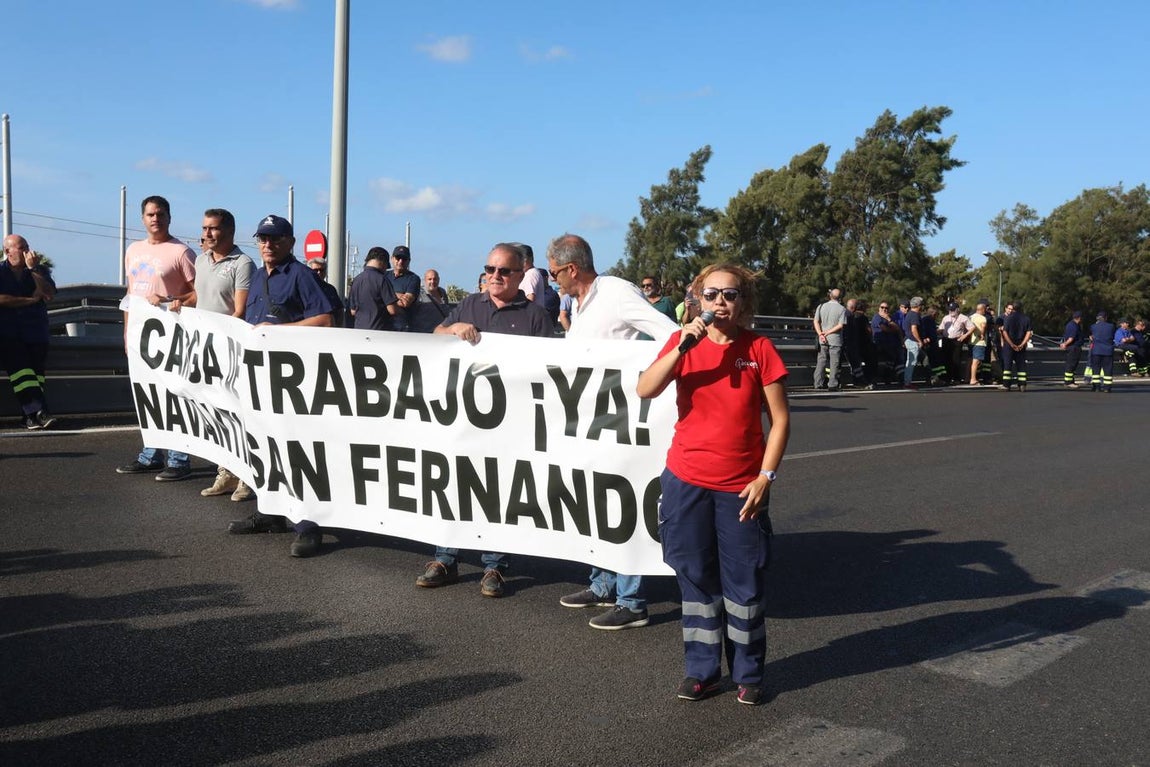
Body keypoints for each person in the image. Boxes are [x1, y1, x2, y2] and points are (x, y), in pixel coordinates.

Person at [636, 263, 790, 705]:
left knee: (745, 584)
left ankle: (749, 672)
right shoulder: (682, 343)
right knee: (696, 579)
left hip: (741, 486)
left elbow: (779, 421)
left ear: (744, 303)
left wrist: (766, 477)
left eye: (730, 295)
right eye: (711, 294)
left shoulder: (759, 348)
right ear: (697, 299)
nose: (720, 303)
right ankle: (702, 671)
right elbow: (645, 388)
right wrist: (684, 344)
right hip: (686, 481)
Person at [547, 233, 679, 630]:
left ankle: (632, 600)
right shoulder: (576, 302)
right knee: (594, 502)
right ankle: (601, 584)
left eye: (556, 274)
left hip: (618, 420)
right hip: (586, 422)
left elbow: (669, 332)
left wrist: (643, 379)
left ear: (572, 269)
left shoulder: (618, 292)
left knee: (621, 503)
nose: (554, 281)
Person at [414, 243, 555, 598]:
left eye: (503, 271)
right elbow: (435, 339)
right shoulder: (468, 305)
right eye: (490, 269)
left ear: (520, 275)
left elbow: (552, 368)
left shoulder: (536, 316)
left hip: (512, 421)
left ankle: (496, 565)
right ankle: (445, 558)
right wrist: (454, 328)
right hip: (464, 418)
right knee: (455, 484)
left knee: (499, 491)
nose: (495, 276)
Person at [227, 215, 334, 557]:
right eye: (262, 238)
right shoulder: (258, 277)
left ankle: (308, 525)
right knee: (264, 448)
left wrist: (279, 333)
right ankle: (271, 511)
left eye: (275, 239)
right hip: (262, 381)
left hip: (295, 383)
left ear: (290, 241)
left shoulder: (301, 276)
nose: (268, 244)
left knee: (298, 453)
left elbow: (325, 320)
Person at [170, 209, 255, 501]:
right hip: (203, 350)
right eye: (204, 228)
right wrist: (180, 302)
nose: (207, 234)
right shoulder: (202, 260)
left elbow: (240, 310)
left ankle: (246, 478)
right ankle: (226, 473)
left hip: (230, 351)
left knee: (237, 415)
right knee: (215, 415)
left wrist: (222, 338)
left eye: (213, 229)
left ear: (229, 231)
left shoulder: (243, 263)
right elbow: (200, 296)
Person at [116, 195, 197, 480]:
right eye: (150, 214)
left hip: (172, 335)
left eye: (160, 214)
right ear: (143, 218)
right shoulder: (133, 250)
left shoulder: (181, 252)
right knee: (148, 396)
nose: (155, 219)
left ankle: (179, 459)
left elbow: (200, 293)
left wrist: (173, 299)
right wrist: (127, 333)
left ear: (169, 217)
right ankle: (151, 455)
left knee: (174, 396)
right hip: (141, 336)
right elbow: (130, 295)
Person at [0, 233, 57, 429]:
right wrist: (30, 300)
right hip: (9, 333)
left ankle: (31, 417)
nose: (27, 251)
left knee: (35, 375)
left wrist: (33, 269)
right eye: (21, 247)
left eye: (27, 246)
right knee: (21, 372)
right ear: (8, 251)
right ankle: (42, 411)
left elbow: (48, 293)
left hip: (36, 331)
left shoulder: (39, 270)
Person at [348, 247, 399, 330]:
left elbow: (353, 311)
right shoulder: (382, 279)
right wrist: (402, 311)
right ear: (383, 262)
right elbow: (392, 310)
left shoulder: (356, 280)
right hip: (378, 331)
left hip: (359, 330)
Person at [812, 288, 848, 391]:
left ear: (830, 295)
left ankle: (817, 383)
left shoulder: (821, 306)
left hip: (822, 339)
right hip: (835, 339)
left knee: (821, 361)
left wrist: (821, 334)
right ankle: (832, 384)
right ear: (840, 297)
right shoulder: (841, 309)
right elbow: (840, 325)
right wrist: (828, 332)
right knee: (834, 362)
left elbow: (816, 321)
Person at [384, 245, 420, 331]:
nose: (400, 261)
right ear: (392, 258)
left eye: (404, 259)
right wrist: (399, 295)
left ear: (409, 261)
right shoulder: (383, 276)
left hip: (403, 328)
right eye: (398, 258)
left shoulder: (413, 278)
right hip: (383, 326)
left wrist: (384, 295)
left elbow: (405, 302)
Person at [999, 301, 1033, 391]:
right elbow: (1028, 332)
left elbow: (1005, 332)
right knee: (1021, 365)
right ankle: (1022, 384)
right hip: (1021, 343)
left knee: (1007, 365)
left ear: (1013, 308)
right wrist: (1022, 343)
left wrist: (1011, 344)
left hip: (1009, 344)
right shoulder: (1026, 319)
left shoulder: (1008, 318)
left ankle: (1006, 385)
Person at [306, 256, 345, 327]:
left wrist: (338, 326)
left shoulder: (330, 289)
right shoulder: (304, 288)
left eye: (321, 270)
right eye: (315, 270)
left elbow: (339, 311)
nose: (319, 272)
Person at [939, 301, 973, 384]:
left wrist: (964, 336)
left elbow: (972, 327)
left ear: (957, 309)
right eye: (950, 310)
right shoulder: (946, 318)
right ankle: (947, 378)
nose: (951, 311)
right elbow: (941, 328)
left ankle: (956, 378)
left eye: (953, 310)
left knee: (956, 360)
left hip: (956, 340)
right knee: (946, 359)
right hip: (946, 340)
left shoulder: (963, 318)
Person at [870, 301, 902, 387]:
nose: (884, 309)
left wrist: (889, 319)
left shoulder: (889, 318)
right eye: (882, 307)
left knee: (889, 363)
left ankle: (887, 379)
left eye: (886, 308)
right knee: (880, 364)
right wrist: (893, 329)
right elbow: (884, 328)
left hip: (889, 345)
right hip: (879, 344)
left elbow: (897, 328)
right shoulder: (877, 317)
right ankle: (875, 380)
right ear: (879, 308)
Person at [1087, 311, 1115, 393]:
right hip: (1107, 351)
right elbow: (1111, 336)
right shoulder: (1111, 326)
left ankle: (1096, 387)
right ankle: (1107, 387)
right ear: (1105, 318)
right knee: (1108, 369)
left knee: (1096, 369)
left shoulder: (1093, 326)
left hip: (1096, 351)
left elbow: (1092, 336)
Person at [901, 297, 925, 389]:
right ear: (918, 305)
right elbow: (914, 329)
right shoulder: (915, 315)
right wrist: (919, 341)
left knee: (909, 361)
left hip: (908, 339)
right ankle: (907, 382)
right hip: (912, 340)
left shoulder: (909, 314)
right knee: (912, 362)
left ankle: (907, 381)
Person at [1059, 310, 1087, 388]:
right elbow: (1071, 338)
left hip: (1074, 347)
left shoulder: (1074, 325)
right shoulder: (1073, 326)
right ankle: (1068, 382)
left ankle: (1070, 381)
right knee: (1071, 365)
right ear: (1079, 318)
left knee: (1072, 365)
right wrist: (1065, 344)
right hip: (1073, 348)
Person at [968, 300, 991, 385]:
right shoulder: (982, 318)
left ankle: (971, 377)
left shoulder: (971, 317)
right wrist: (982, 334)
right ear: (982, 310)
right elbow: (983, 327)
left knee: (972, 360)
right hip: (979, 343)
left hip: (971, 342)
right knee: (976, 361)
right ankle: (973, 379)